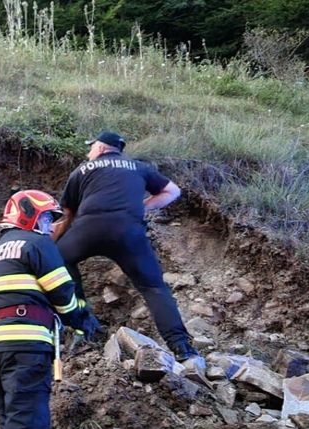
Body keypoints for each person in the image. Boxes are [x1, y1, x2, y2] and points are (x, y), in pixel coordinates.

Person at [0, 190, 102, 429]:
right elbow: (62, 293)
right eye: (47, 218)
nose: (50, 227)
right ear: (28, 215)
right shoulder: (37, 243)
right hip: (26, 340)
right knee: (28, 414)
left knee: (10, 412)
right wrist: (84, 320)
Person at [52, 131, 201, 363]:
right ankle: (183, 348)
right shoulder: (139, 167)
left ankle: (84, 324)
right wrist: (142, 207)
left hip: (88, 229)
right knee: (154, 288)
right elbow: (173, 191)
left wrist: (51, 245)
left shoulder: (81, 170)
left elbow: (67, 215)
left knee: (59, 261)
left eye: (91, 148)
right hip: (129, 232)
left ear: (100, 148)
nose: (88, 152)